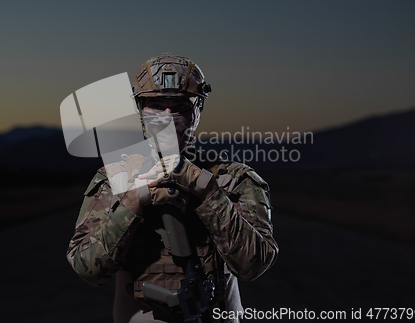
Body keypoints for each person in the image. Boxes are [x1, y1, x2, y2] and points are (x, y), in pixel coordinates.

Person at [66, 53, 278, 323]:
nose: (168, 117)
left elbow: (254, 264)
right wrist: (133, 200)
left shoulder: (234, 179)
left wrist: (206, 191)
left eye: (179, 107)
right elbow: (88, 269)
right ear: (140, 110)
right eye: (156, 105)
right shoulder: (114, 180)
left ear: (197, 110)